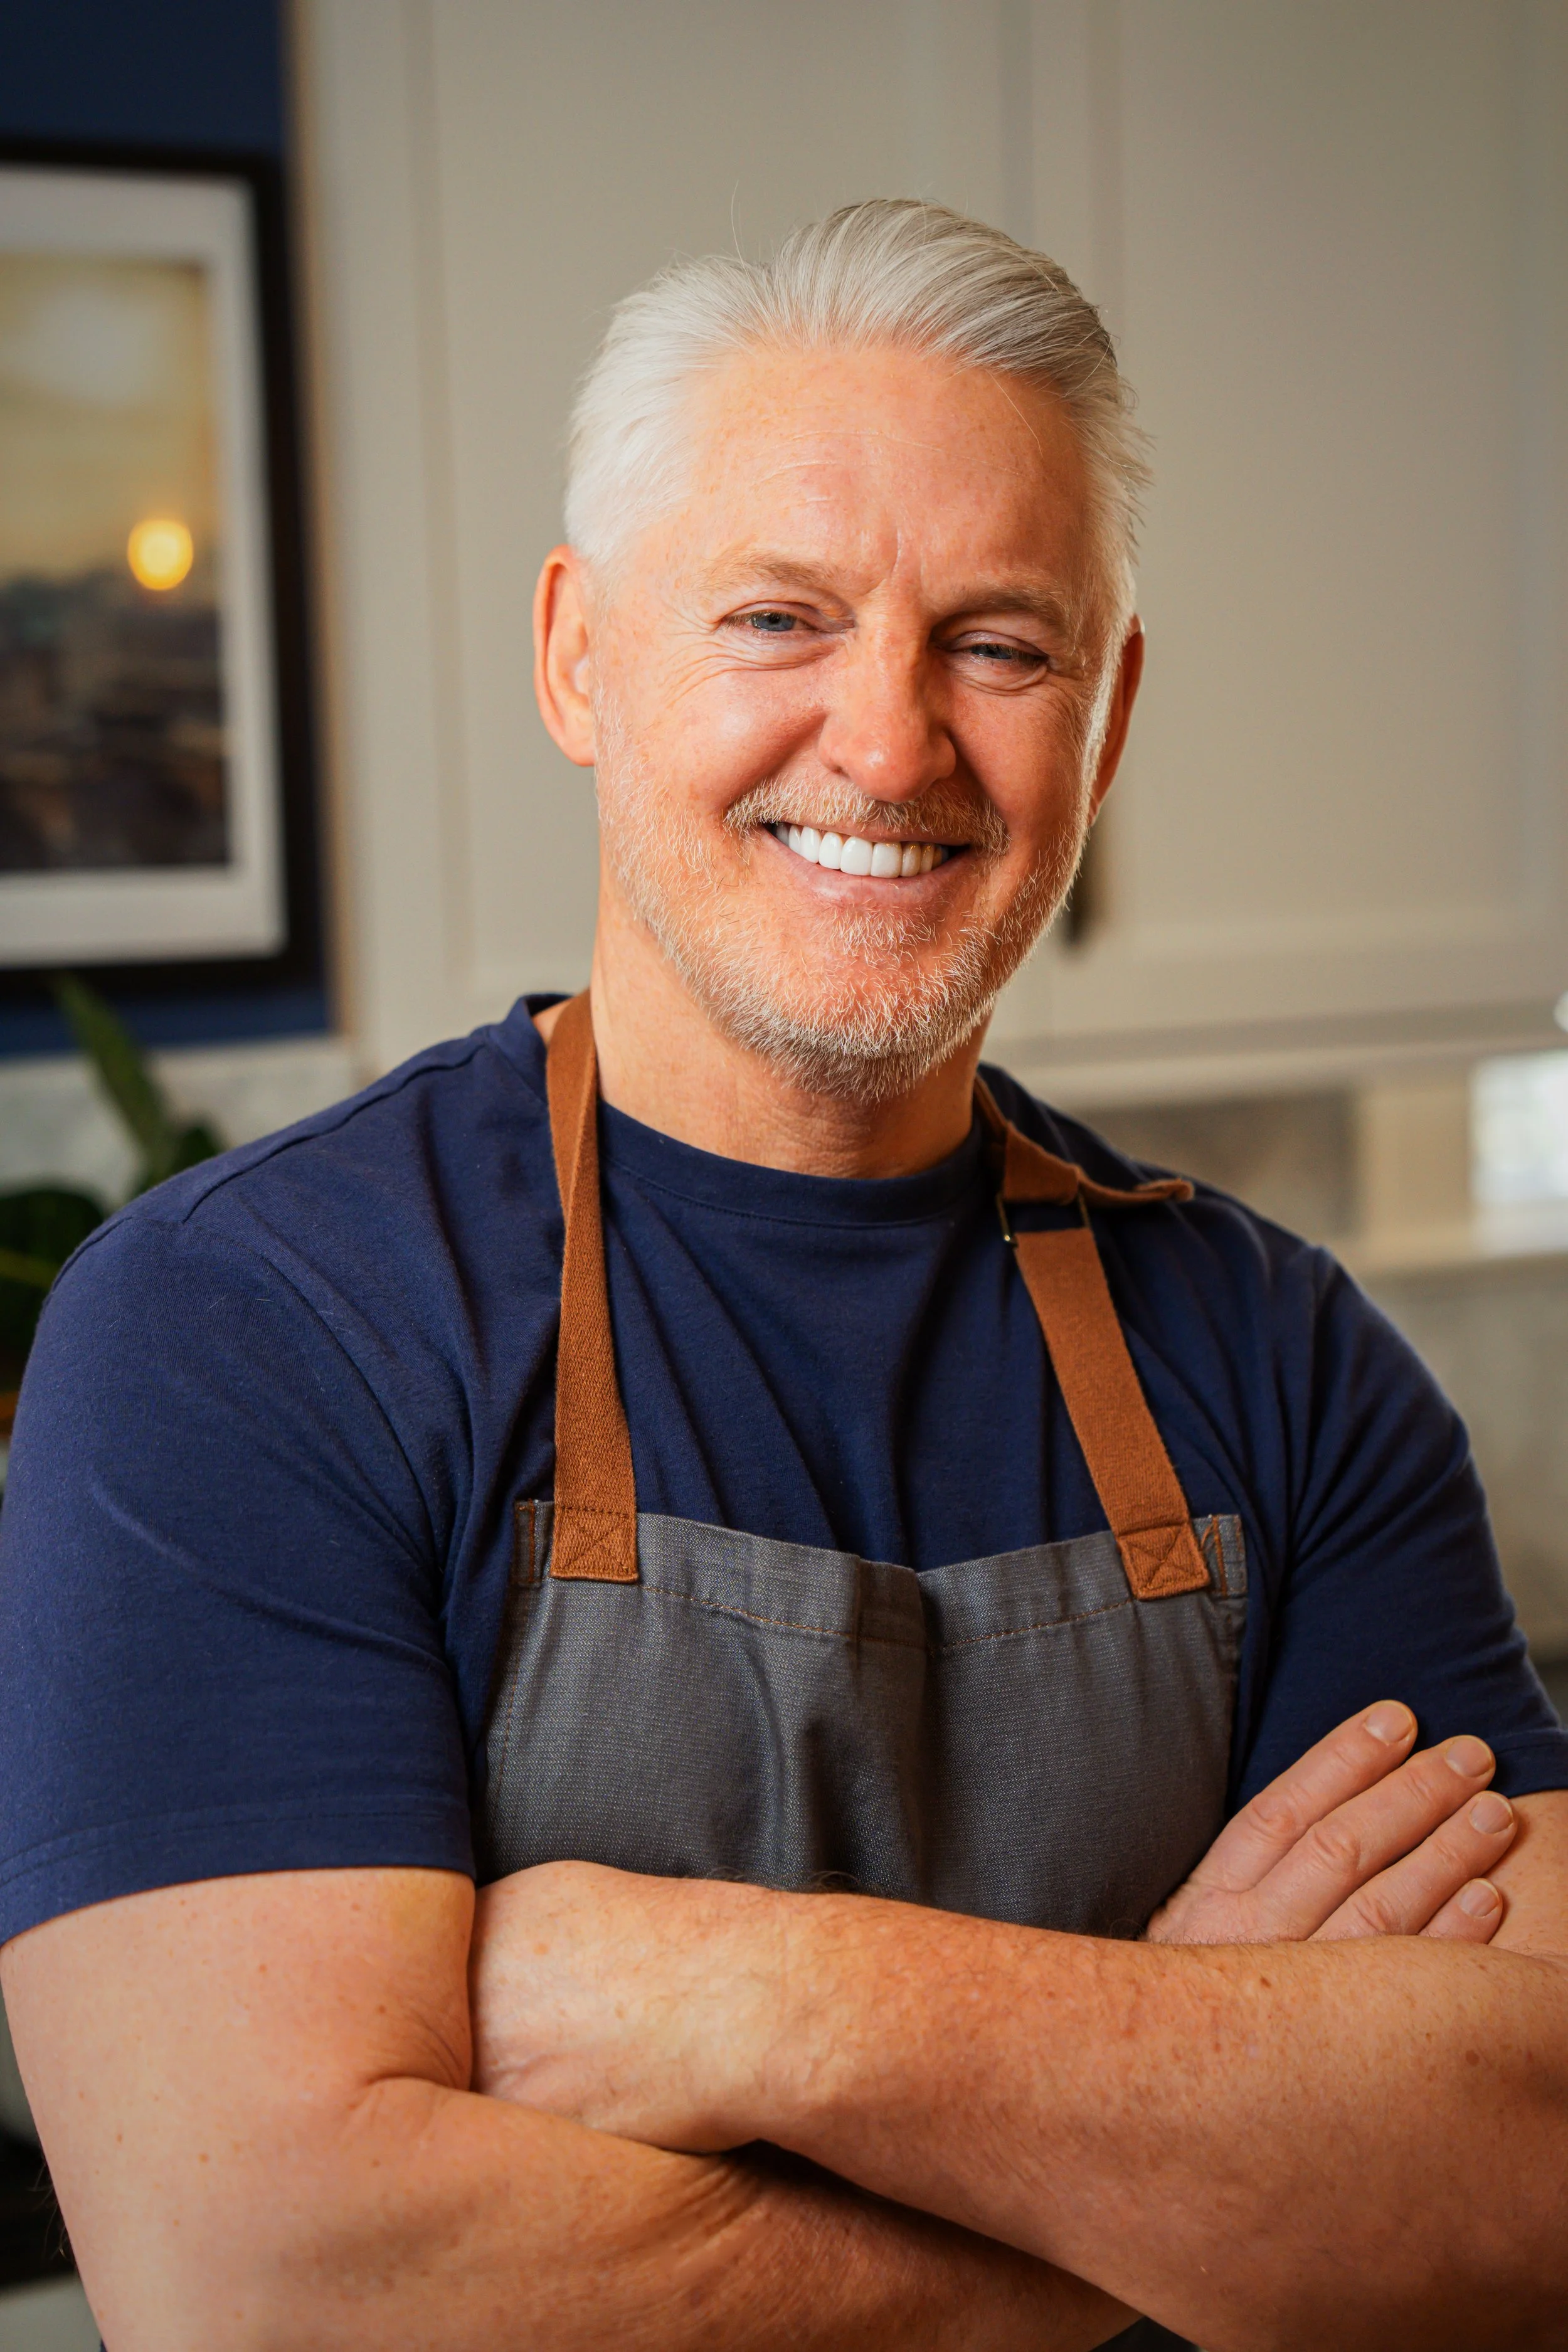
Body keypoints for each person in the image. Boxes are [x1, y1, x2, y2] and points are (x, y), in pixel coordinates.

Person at [1, 201, 1564, 2349]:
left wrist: (767, 1999)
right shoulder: (244, 1327)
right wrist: (1181, 2095)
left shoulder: (1288, 1363)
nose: (892, 742)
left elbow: (1521, 2175)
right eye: (776, 616)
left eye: (998, 643)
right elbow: (279, 2280)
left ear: (1101, 722)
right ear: (578, 654)